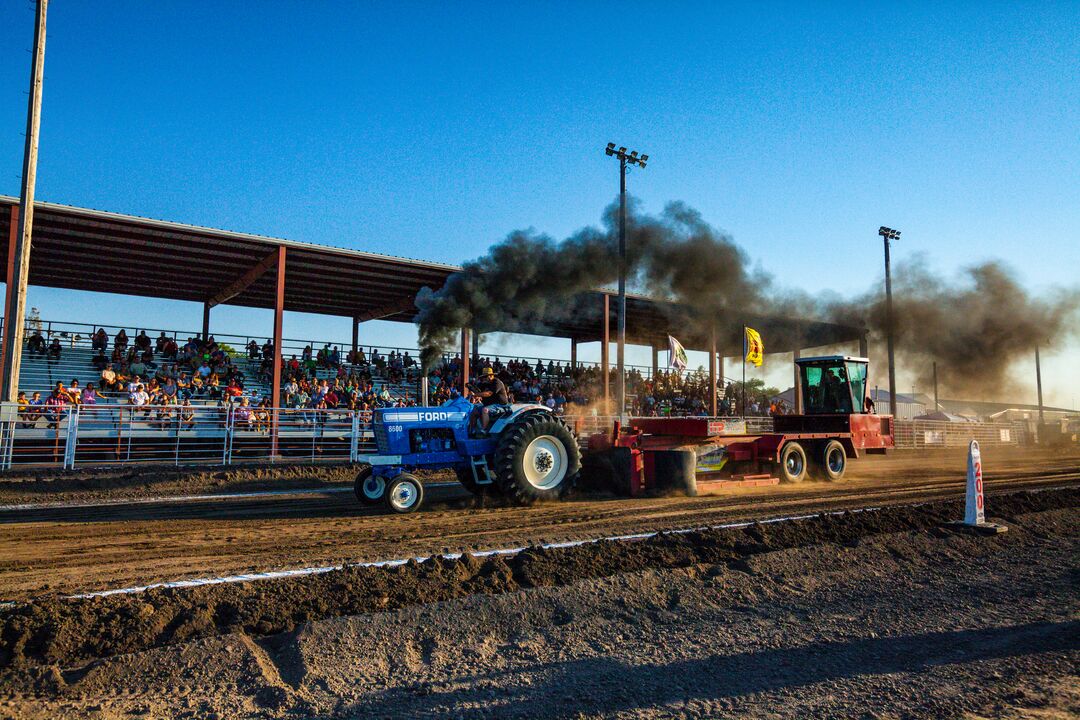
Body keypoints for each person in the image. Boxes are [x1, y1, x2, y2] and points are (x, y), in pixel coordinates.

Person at [467, 367, 510, 434]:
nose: (484, 378)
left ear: (491, 376)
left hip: (501, 405)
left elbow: (488, 393)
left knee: (485, 410)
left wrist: (475, 394)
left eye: (485, 376)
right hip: (490, 405)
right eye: (483, 377)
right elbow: (478, 390)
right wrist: (471, 388)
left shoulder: (497, 382)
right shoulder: (484, 384)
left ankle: (484, 431)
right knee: (474, 409)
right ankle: (472, 430)